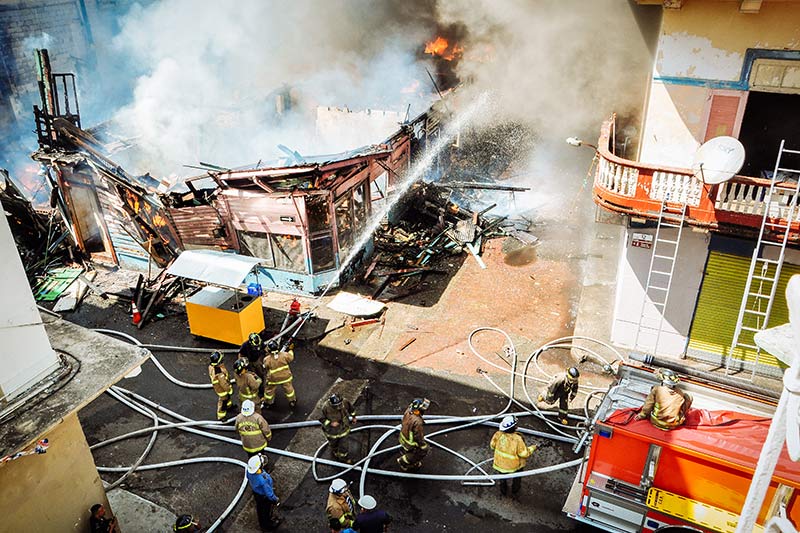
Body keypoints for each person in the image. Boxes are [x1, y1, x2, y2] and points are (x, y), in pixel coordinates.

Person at [490, 415, 537, 497]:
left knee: (502, 478)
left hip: (499, 464)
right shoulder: (517, 439)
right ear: (514, 427)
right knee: (517, 478)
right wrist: (533, 448)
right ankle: (515, 490)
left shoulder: (498, 434)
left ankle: (503, 490)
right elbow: (524, 454)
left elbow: (492, 446)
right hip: (514, 466)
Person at [246, 455, 281, 530]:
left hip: (256, 494)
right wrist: (275, 499)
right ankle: (267, 526)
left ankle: (262, 523)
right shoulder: (263, 480)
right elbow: (269, 493)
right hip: (264, 496)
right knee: (266, 511)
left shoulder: (249, 472)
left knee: (260, 509)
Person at [321, 393, 357, 462]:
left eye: (339, 405)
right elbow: (321, 419)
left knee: (344, 446)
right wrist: (330, 423)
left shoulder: (345, 402)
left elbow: (351, 409)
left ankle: (343, 458)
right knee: (334, 444)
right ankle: (335, 452)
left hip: (343, 429)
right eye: (336, 406)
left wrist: (354, 417)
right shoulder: (325, 407)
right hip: (332, 432)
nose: (338, 407)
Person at [397, 398, 430, 472]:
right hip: (410, 444)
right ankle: (403, 461)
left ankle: (412, 460)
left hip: (402, 437)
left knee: (412, 452)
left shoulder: (408, 410)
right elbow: (418, 436)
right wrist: (423, 446)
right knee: (423, 451)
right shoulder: (417, 422)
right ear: (418, 410)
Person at [262, 339, 296, 409]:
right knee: (289, 389)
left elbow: (265, 367)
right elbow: (291, 357)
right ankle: (292, 401)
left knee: (269, 390)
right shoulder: (284, 355)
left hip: (273, 379)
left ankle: (268, 402)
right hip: (285, 377)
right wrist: (290, 350)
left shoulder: (267, 359)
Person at [209, 351, 236, 421]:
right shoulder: (219, 373)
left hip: (220, 388)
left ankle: (229, 406)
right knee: (223, 401)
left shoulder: (212, 366)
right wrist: (229, 390)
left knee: (227, 398)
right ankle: (221, 416)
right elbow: (224, 384)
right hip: (222, 390)